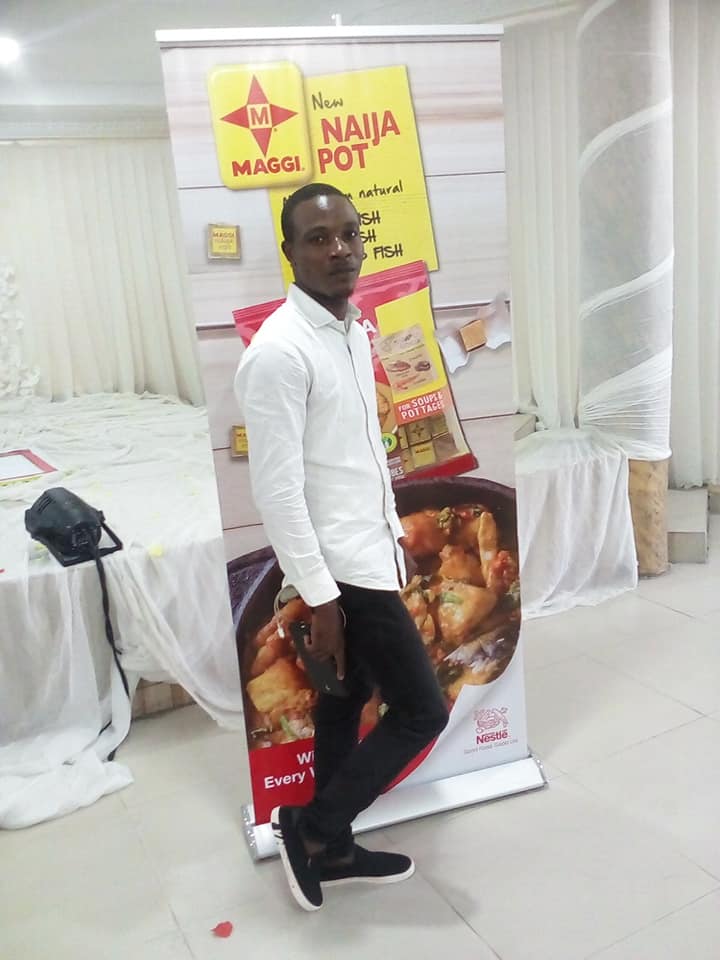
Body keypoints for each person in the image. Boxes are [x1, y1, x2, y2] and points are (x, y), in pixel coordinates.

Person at [234, 182, 449, 912]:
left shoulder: (351, 329)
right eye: (319, 238)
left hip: (369, 550)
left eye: (349, 235)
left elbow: (355, 456)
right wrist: (322, 598)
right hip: (340, 574)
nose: (340, 250)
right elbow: (278, 492)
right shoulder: (279, 353)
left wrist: (394, 533)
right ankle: (313, 826)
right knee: (421, 712)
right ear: (289, 252)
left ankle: (334, 851)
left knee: (344, 699)